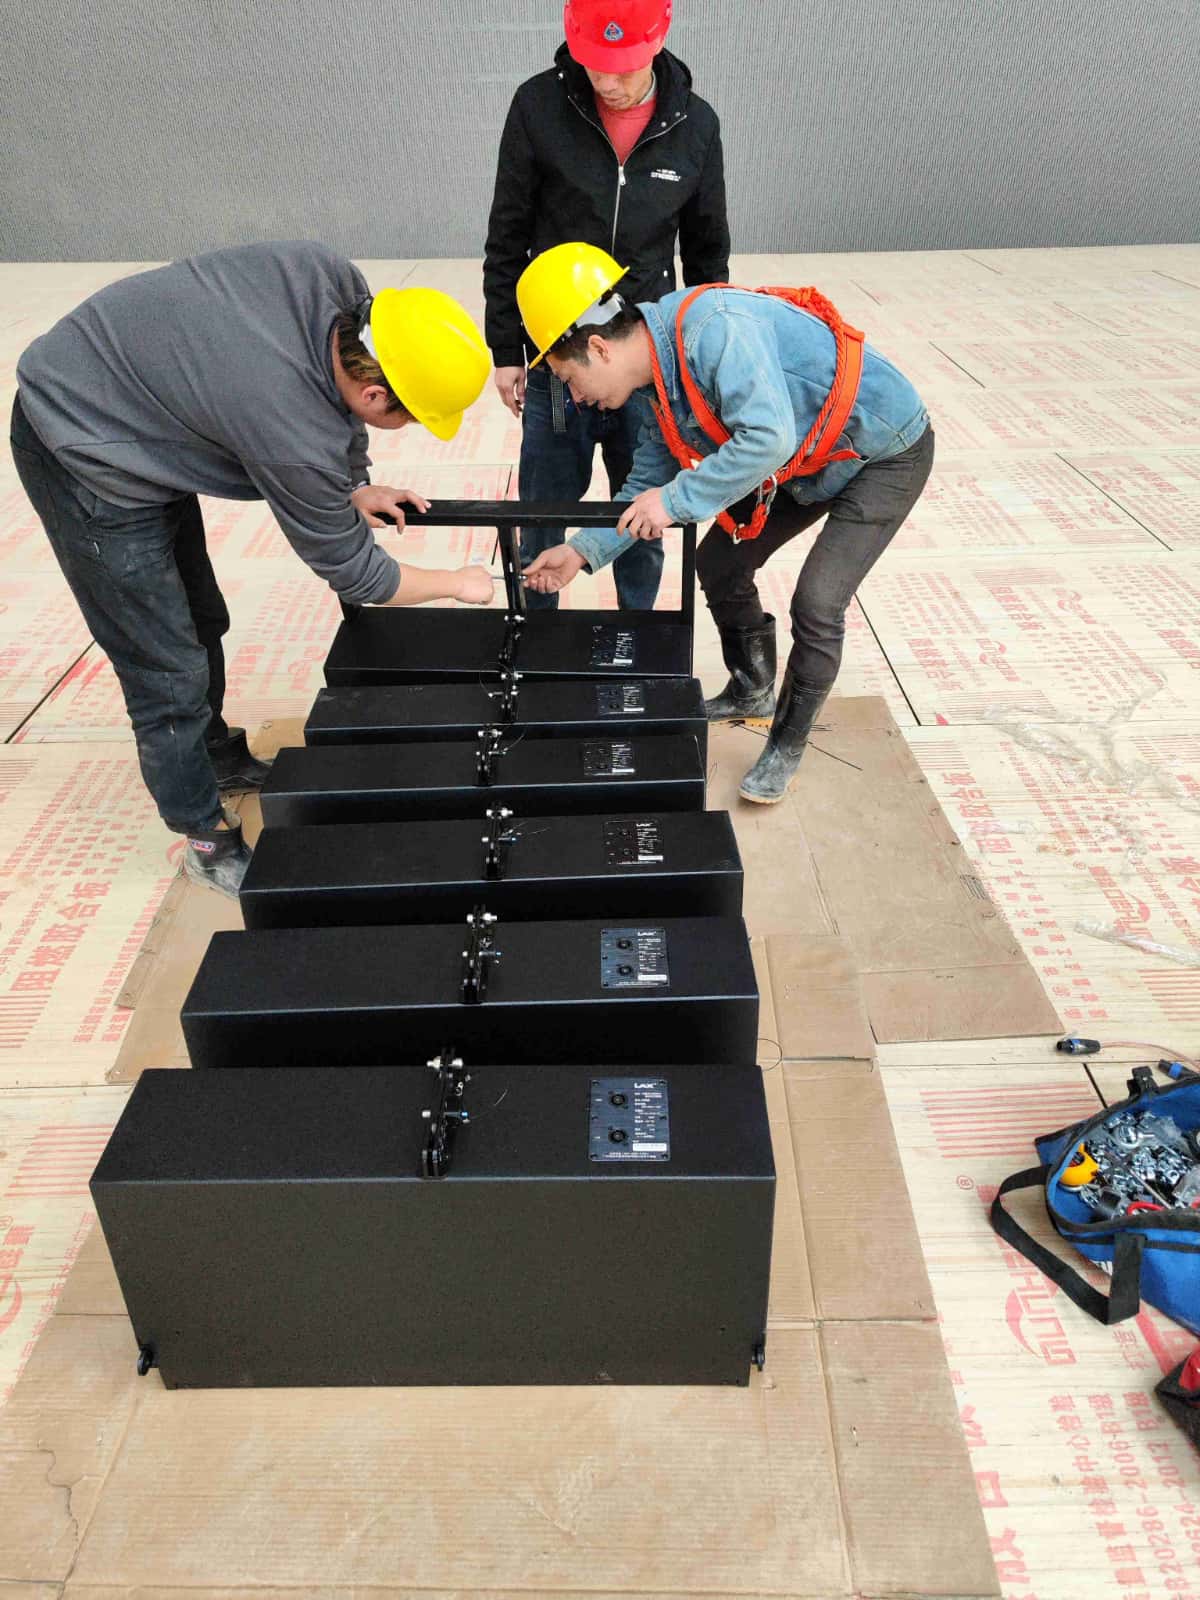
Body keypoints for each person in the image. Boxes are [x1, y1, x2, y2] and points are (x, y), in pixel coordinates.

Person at [11, 240, 493, 895]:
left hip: (136, 397)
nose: (404, 426)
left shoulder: (330, 280)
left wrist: (354, 483)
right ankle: (204, 837)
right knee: (165, 666)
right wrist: (457, 583)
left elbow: (336, 413)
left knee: (202, 615)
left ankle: (213, 754)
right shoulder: (287, 425)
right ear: (375, 391)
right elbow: (360, 574)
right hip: (80, 439)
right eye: (406, 417)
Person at [518, 243, 935, 804]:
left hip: (883, 451)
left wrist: (675, 502)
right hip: (809, 457)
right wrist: (580, 552)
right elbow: (646, 484)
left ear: (598, 347)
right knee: (719, 562)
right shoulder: (659, 380)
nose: (576, 397)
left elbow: (766, 438)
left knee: (817, 601)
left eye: (570, 379)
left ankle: (786, 742)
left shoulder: (712, 330)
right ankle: (752, 686)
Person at [483, 0, 729, 612]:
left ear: (658, 40)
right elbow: (507, 234)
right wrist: (506, 347)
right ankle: (536, 634)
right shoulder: (538, 107)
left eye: (622, 68)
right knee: (544, 508)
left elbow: (708, 255)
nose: (607, 83)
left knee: (642, 508)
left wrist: (705, 363)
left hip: (646, 361)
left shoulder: (695, 126)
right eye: (595, 66)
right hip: (557, 355)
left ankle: (638, 630)